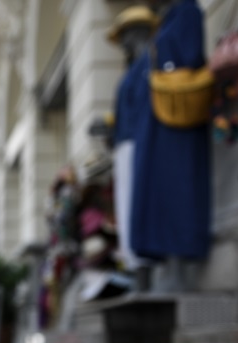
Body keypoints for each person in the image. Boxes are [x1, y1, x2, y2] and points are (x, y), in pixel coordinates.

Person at [130, 0, 211, 292]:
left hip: (178, 123)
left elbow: (188, 59)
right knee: (161, 198)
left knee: (179, 194)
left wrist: (164, 71)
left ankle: (182, 272)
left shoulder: (187, 12)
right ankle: (168, 268)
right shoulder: (168, 19)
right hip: (161, 128)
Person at [107, 6, 158, 285]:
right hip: (125, 144)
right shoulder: (131, 70)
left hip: (142, 143)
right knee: (126, 209)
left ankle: (144, 273)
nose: (124, 42)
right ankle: (135, 271)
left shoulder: (150, 62)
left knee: (140, 207)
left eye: (126, 34)